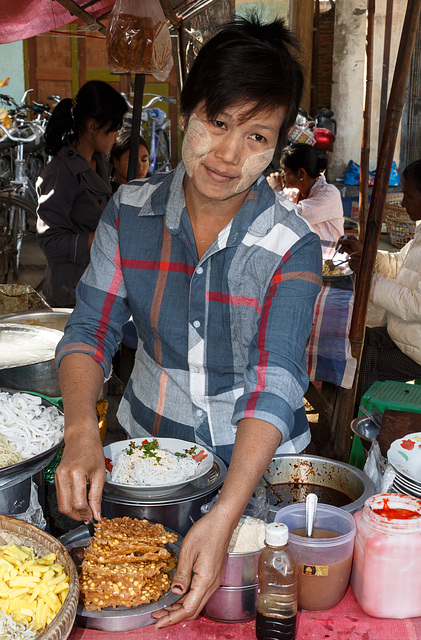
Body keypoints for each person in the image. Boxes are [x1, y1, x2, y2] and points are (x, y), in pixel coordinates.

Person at [54, 14, 322, 627]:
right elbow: (90, 329)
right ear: (186, 113)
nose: (228, 154)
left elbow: (277, 379)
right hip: (145, 464)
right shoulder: (128, 212)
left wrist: (227, 513)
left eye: (257, 137)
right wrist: (80, 433)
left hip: (256, 479)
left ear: (278, 146)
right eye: (217, 122)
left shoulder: (292, 244)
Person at [338, 157, 421, 406]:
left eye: (409, 196)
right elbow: (401, 263)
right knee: (358, 343)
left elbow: (419, 306)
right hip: (404, 334)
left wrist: (369, 277)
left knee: (366, 366)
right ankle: (359, 414)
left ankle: (364, 423)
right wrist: (367, 254)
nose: (403, 202)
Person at [36, 80, 127, 307]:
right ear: (93, 126)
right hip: (70, 292)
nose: (116, 135)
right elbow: (51, 243)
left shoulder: (99, 162)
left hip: (96, 280)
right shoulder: (60, 173)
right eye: (113, 128)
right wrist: (97, 237)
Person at [267, 142, 344, 243]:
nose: (281, 174)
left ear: (300, 173)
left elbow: (292, 218)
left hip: (328, 256)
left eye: (285, 170)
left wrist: (277, 190)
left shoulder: (329, 195)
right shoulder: (293, 193)